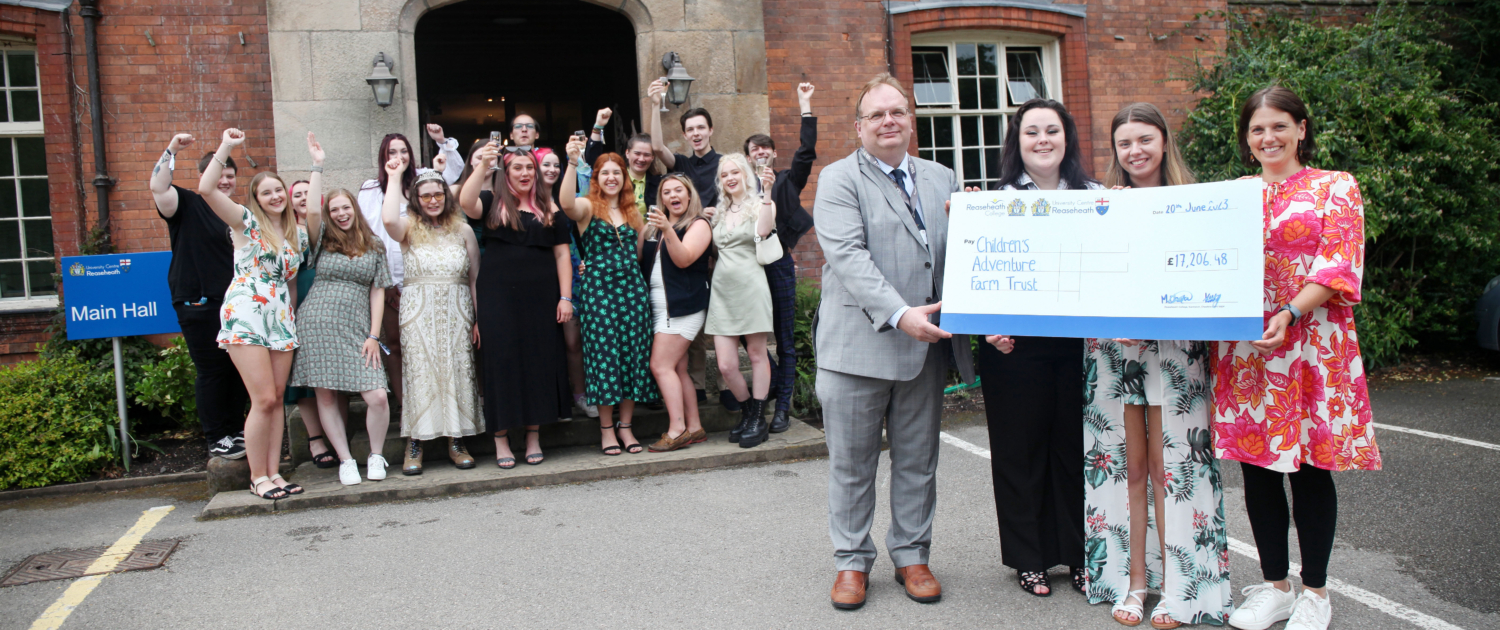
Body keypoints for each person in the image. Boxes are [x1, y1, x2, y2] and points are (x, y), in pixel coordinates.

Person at [1216, 86, 1379, 630]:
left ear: (1301, 129)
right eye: (1257, 129)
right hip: (1247, 350)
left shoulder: (1336, 186)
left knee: (1310, 469)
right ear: (1246, 138)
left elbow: (1338, 266)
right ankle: (1275, 589)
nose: (1269, 138)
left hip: (1311, 344)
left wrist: (1288, 311)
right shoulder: (1233, 194)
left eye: (1279, 126)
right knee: (1258, 470)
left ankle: (1315, 593)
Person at [813, 74, 974, 610]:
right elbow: (848, 256)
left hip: (924, 351)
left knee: (918, 462)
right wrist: (900, 314)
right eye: (877, 114)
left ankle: (912, 554)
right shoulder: (839, 179)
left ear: (911, 120)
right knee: (852, 465)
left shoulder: (943, 178)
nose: (889, 121)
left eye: (898, 112)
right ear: (859, 127)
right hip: (857, 349)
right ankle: (851, 561)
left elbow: (963, 256)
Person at [1086, 103, 1232, 628]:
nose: (1135, 151)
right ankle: (1134, 582)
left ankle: (1176, 587)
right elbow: (1085, 278)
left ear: (1164, 141)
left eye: (1145, 139)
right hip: (1116, 352)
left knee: (1173, 469)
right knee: (1128, 467)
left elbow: (1211, 276)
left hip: (1174, 353)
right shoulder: (1101, 205)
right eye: (1124, 143)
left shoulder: (1196, 204)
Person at [978, 98, 1101, 598]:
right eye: (1032, 132)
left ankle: (1080, 555)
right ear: (1018, 142)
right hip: (1013, 347)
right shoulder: (994, 202)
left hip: (1081, 346)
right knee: (1019, 453)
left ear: (1067, 137)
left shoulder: (1097, 197)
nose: (1043, 140)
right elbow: (979, 273)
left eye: (1052, 130)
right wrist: (986, 326)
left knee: (1077, 452)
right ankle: (1028, 558)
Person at [198, 128, 308, 500]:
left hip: (280, 316)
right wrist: (227, 147)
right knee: (261, 399)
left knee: (276, 399)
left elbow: (291, 285)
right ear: (256, 199)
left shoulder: (296, 233)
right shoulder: (245, 221)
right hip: (247, 312)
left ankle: (274, 472)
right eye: (266, 192)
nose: (275, 196)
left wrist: (292, 319)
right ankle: (257, 476)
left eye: (279, 190)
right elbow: (206, 189)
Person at [286, 134, 396, 486]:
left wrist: (374, 335)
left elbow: (378, 291)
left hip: (357, 328)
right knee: (326, 394)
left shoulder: (374, 245)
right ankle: (346, 460)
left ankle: (376, 455)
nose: (341, 214)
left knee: (376, 395)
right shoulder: (321, 241)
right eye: (334, 210)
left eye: (345, 208)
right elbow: (311, 210)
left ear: (354, 209)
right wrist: (317, 166)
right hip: (317, 324)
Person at [458, 143, 573, 468]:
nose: (524, 173)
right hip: (498, 297)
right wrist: (484, 165)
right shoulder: (491, 201)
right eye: (517, 168)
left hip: (541, 297)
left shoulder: (549, 207)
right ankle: (501, 438)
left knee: (538, 361)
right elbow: (465, 202)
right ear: (505, 173)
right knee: (502, 362)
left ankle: (533, 436)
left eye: (529, 168)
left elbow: (562, 254)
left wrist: (565, 297)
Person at [149, 133, 250, 460]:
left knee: (237, 369)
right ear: (205, 175)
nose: (225, 181)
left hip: (234, 303)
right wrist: (172, 149)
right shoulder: (186, 203)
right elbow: (158, 187)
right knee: (212, 370)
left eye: (230, 176)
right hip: (198, 301)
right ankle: (216, 437)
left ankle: (235, 431)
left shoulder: (236, 212)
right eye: (219, 174)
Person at [380, 155, 482, 476]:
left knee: (456, 370)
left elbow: (474, 279)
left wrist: (477, 319)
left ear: (446, 197)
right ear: (416, 200)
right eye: (425, 196)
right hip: (418, 312)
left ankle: (457, 440)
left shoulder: (463, 230)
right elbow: (388, 221)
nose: (433, 201)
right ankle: (415, 442)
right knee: (420, 372)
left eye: (438, 194)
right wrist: (394, 177)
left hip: (457, 310)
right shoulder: (408, 228)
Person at [561, 143, 659, 456]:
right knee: (604, 359)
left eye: (617, 172)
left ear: (625, 177)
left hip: (632, 292)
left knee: (632, 357)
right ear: (597, 178)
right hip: (599, 294)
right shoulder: (588, 207)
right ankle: (606, 430)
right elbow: (565, 204)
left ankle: (625, 427)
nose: (612, 177)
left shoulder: (633, 212)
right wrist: (572, 163)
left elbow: (639, 254)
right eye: (605, 173)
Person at [357, 125, 464, 408]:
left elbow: (454, 175)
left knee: (431, 342)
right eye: (392, 152)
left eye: (403, 151)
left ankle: (436, 403)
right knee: (395, 343)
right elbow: (368, 234)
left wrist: (442, 143)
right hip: (388, 278)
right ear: (383, 157)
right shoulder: (370, 189)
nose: (399, 156)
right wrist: (384, 281)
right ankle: (407, 405)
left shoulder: (422, 180)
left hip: (425, 274)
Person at [744, 81, 818, 433]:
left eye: (765, 147)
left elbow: (806, 151)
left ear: (773, 153)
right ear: (747, 158)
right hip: (748, 272)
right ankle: (770, 383)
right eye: (753, 149)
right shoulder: (740, 190)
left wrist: (805, 105)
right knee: (747, 335)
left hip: (780, 267)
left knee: (785, 339)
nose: (760, 152)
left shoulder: (788, 180)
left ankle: (783, 409)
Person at [705, 154, 778, 447]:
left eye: (735, 172)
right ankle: (748, 412)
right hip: (722, 292)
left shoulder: (760, 204)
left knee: (758, 355)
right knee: (726, 365)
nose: (730, 178)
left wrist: (767, 191)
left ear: (745, 174)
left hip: (751, 287)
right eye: (724, 175)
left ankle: (758, 418)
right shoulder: (719, 211)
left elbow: (763, 231)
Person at [641, 175, 713, 452]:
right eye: (667, 192)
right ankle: (694, 427)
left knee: (660, 366)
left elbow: (683, 259)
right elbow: (637, 258)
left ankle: (677, 430)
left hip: (683, 306)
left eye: (678, 190)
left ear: (689, 194)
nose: (673, 196)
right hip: (660, 308)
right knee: (678, 368)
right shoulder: (653, 226)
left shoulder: (698, 224)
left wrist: (667, 229)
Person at [284, 178, 347, 471]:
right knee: (305, 378)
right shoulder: (285, 232)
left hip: (332, 307)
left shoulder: (332, 229)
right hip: (298, 301)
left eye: (308, 193)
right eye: (297, 194)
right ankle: (316, 440)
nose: (302, 197)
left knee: (335, 376)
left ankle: (341, 438)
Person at [538, 147, 597, 419]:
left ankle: (581, 395)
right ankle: (555, 399)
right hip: (540, 276)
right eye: (545, 165)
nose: (552, 170)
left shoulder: (568, 198)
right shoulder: (525, 200)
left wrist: (577, 159)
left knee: (574, 342)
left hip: (573, 273)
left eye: (556, 165)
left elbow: (587, 190)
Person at [648, 82, 722, 209]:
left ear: (710, 130)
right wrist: (655, 105)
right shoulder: (681, 164)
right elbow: (658, 148)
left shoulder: (724, 163)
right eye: (690, 129)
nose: (696, 133)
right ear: (685, 135)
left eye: (701, 127)